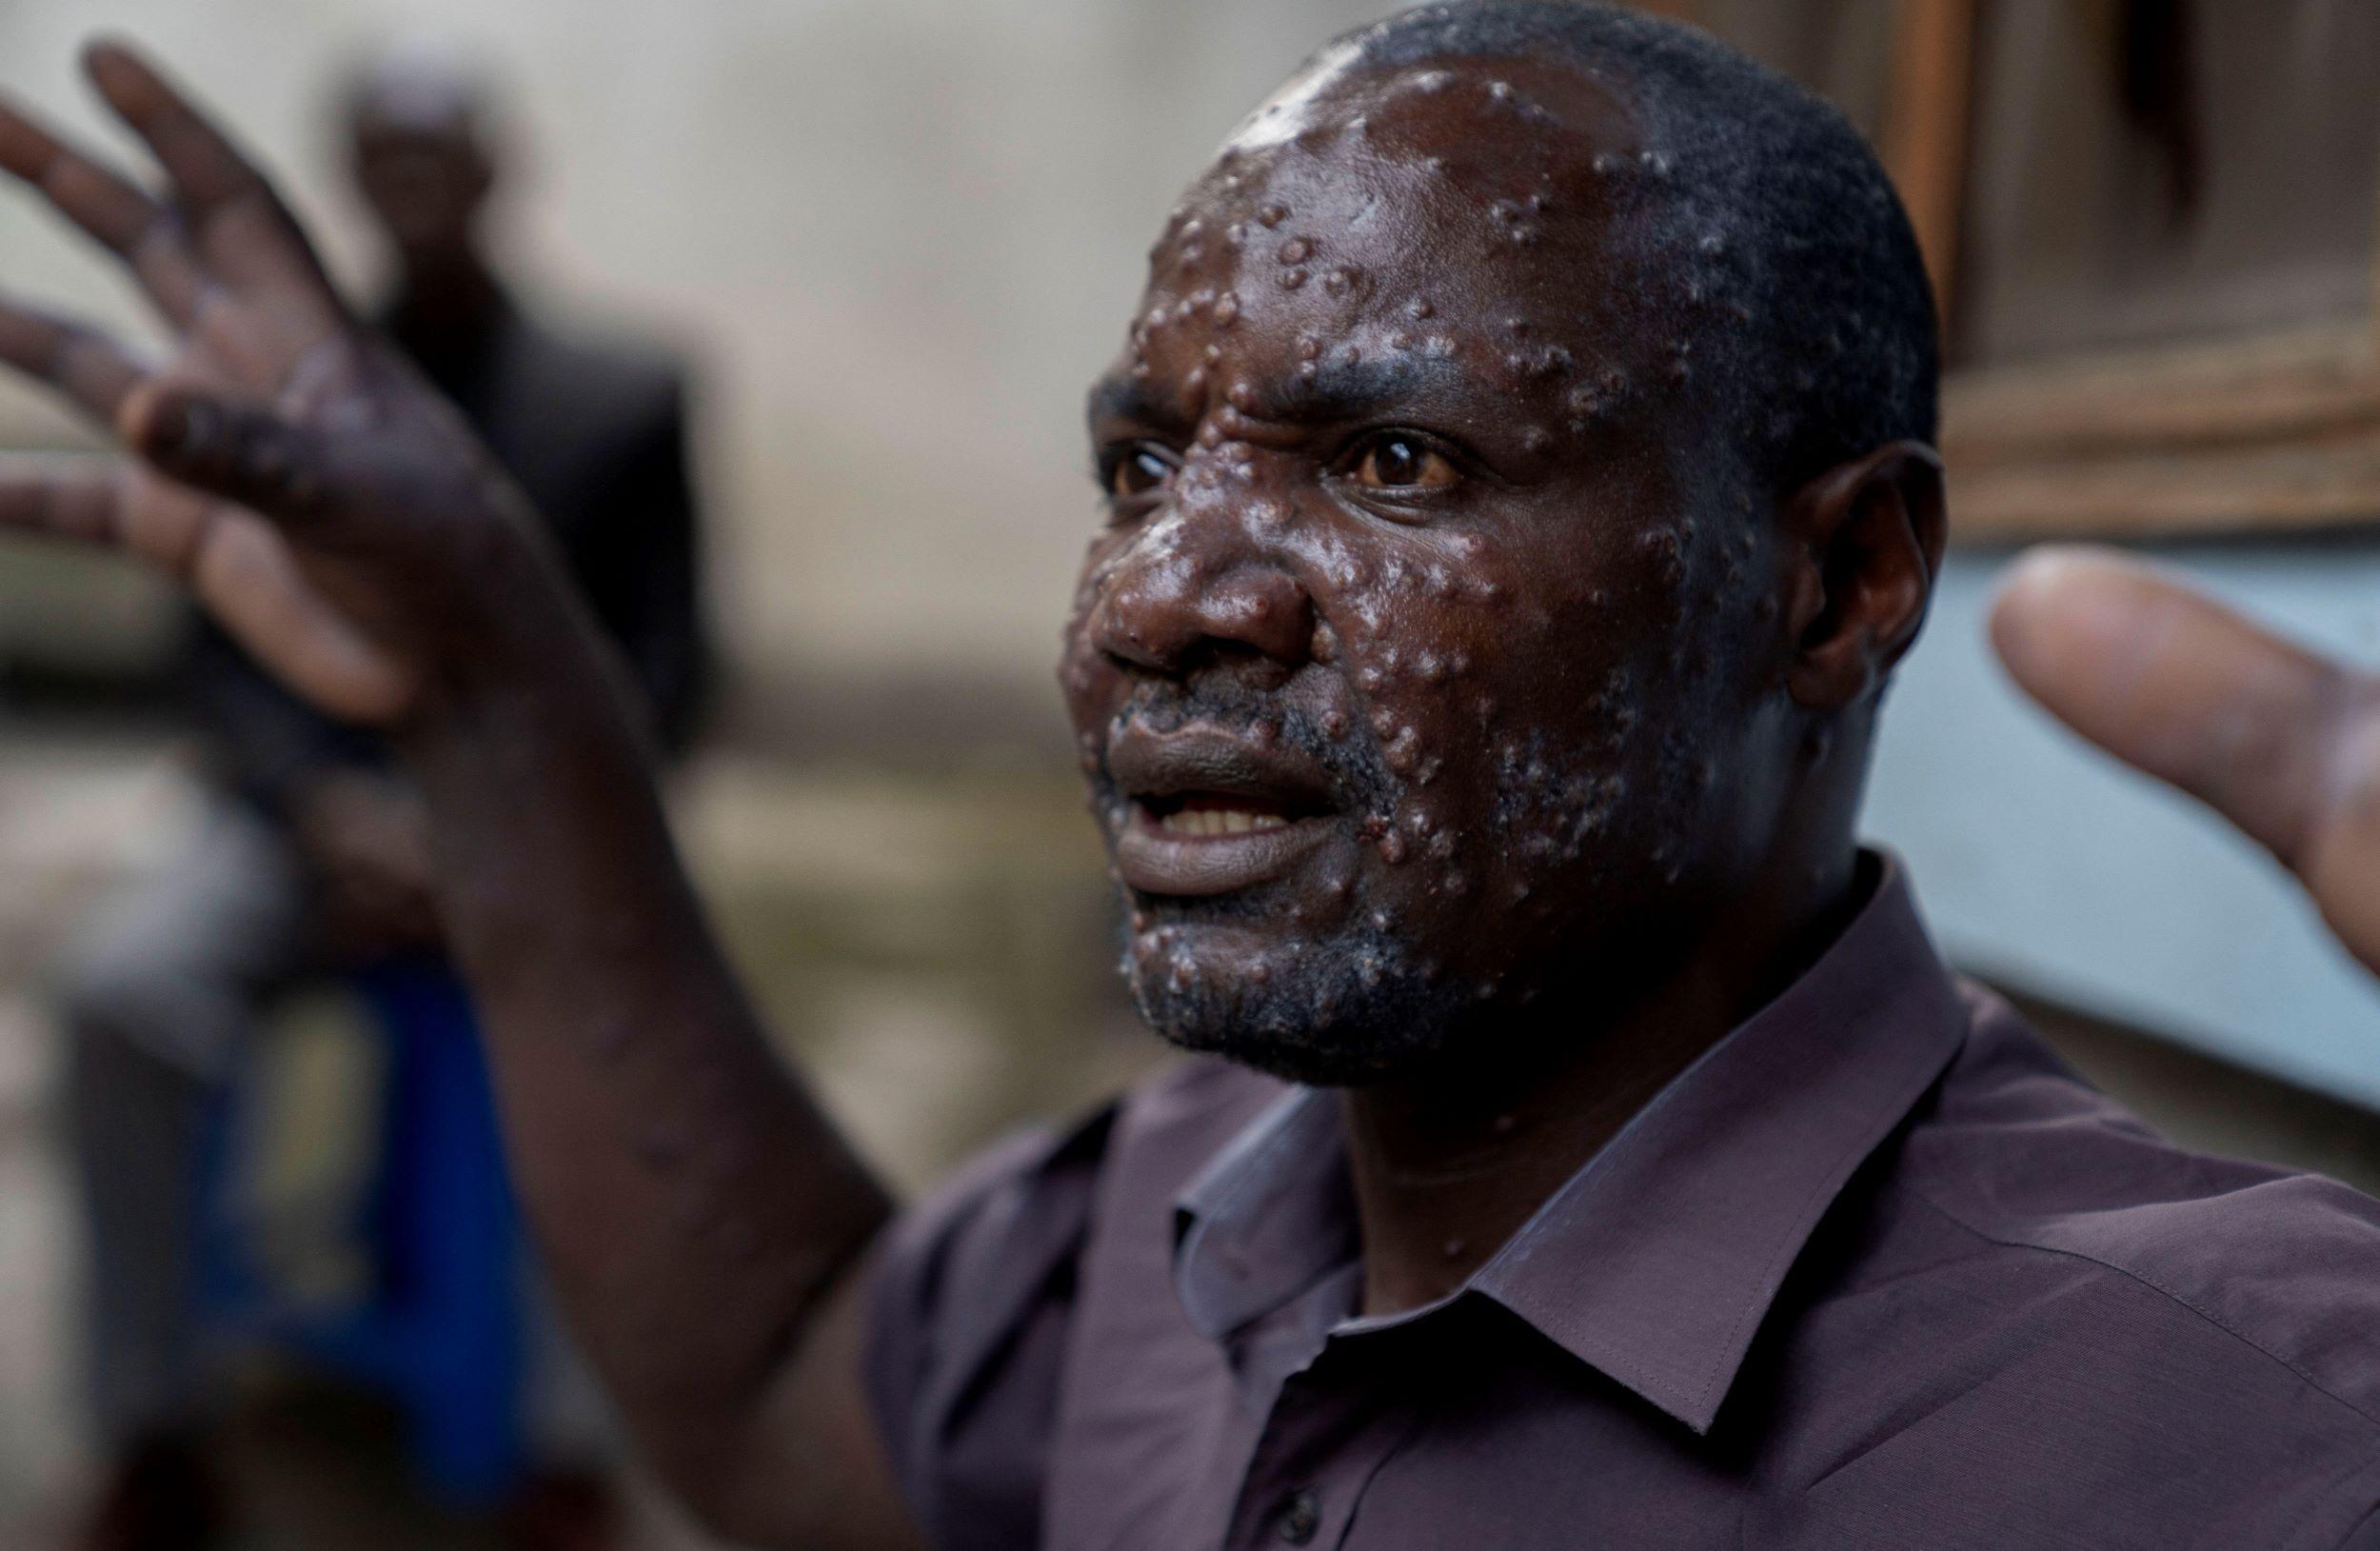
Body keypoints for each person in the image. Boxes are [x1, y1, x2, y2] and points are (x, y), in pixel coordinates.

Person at [1, 5, 2379, 1548]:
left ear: (1835, 579)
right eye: (1140, 463)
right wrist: (499, 688)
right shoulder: (1208, 1198)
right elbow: (781, 1376)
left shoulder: (2213, 1411)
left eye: (1399, 460)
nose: (1159, 595)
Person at [31, 47, 708, 1551]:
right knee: (121, 991)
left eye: (437, 156)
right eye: (382, 159)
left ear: (493, 167)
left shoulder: (618, 398)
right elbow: (218, 658)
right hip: (308, 827)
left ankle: (560, 1442)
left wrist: (505, 823)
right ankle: (153, 1420)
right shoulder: (279, 396)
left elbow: (665, 673)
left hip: (532, 840)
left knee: (608, 1031)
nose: (412, 188)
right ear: (350, 178)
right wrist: (327, 813)